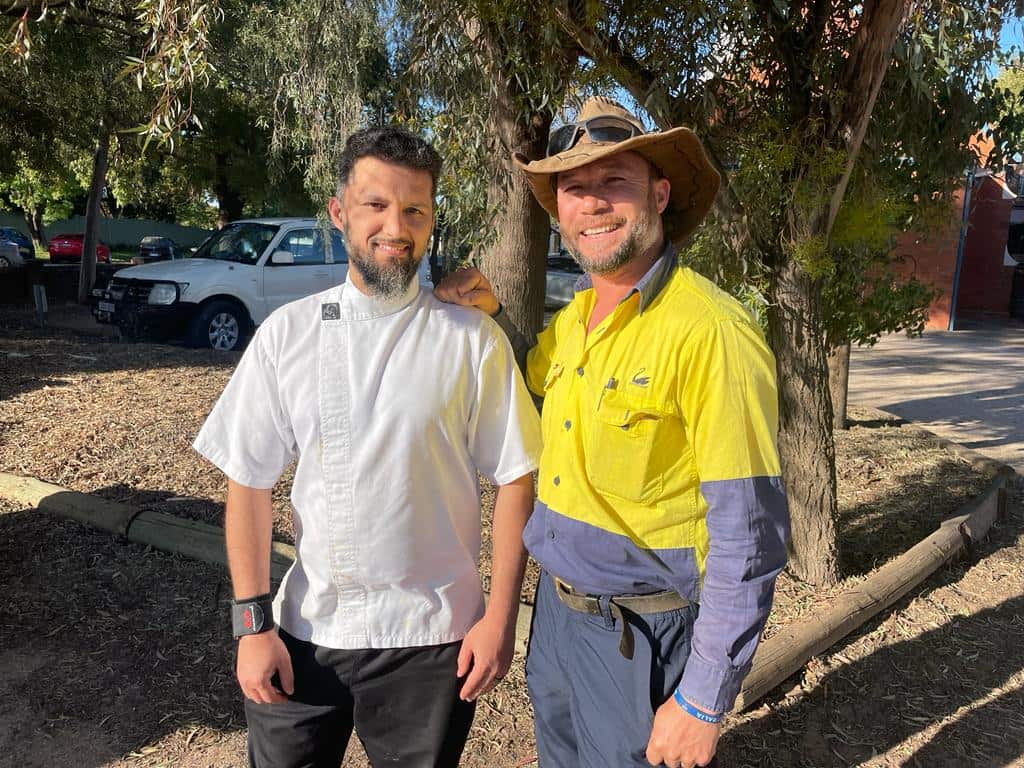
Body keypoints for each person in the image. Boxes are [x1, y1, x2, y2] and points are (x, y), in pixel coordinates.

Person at [435, 96, 791, 768]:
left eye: (614, 183)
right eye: (574, 189)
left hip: (644, 635)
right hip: (558, 621)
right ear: (559, 211)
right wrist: (488, 314)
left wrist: (702, 702)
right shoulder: (575, 322)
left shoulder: (711, 332)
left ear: (659, 194)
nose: (592, 204)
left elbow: (751, 538)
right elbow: (531, 385)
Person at [193, 126, 542, 768]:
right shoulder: (285, 335)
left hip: (433, 640)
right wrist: (251, 625)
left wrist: (500, 618)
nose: (396, 227)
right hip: (304, 631)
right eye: (376, 205)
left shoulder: (471, 340)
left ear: (433, 221)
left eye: (415, 210)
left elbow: (516, 477)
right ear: (339, 213)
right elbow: (247, 482)